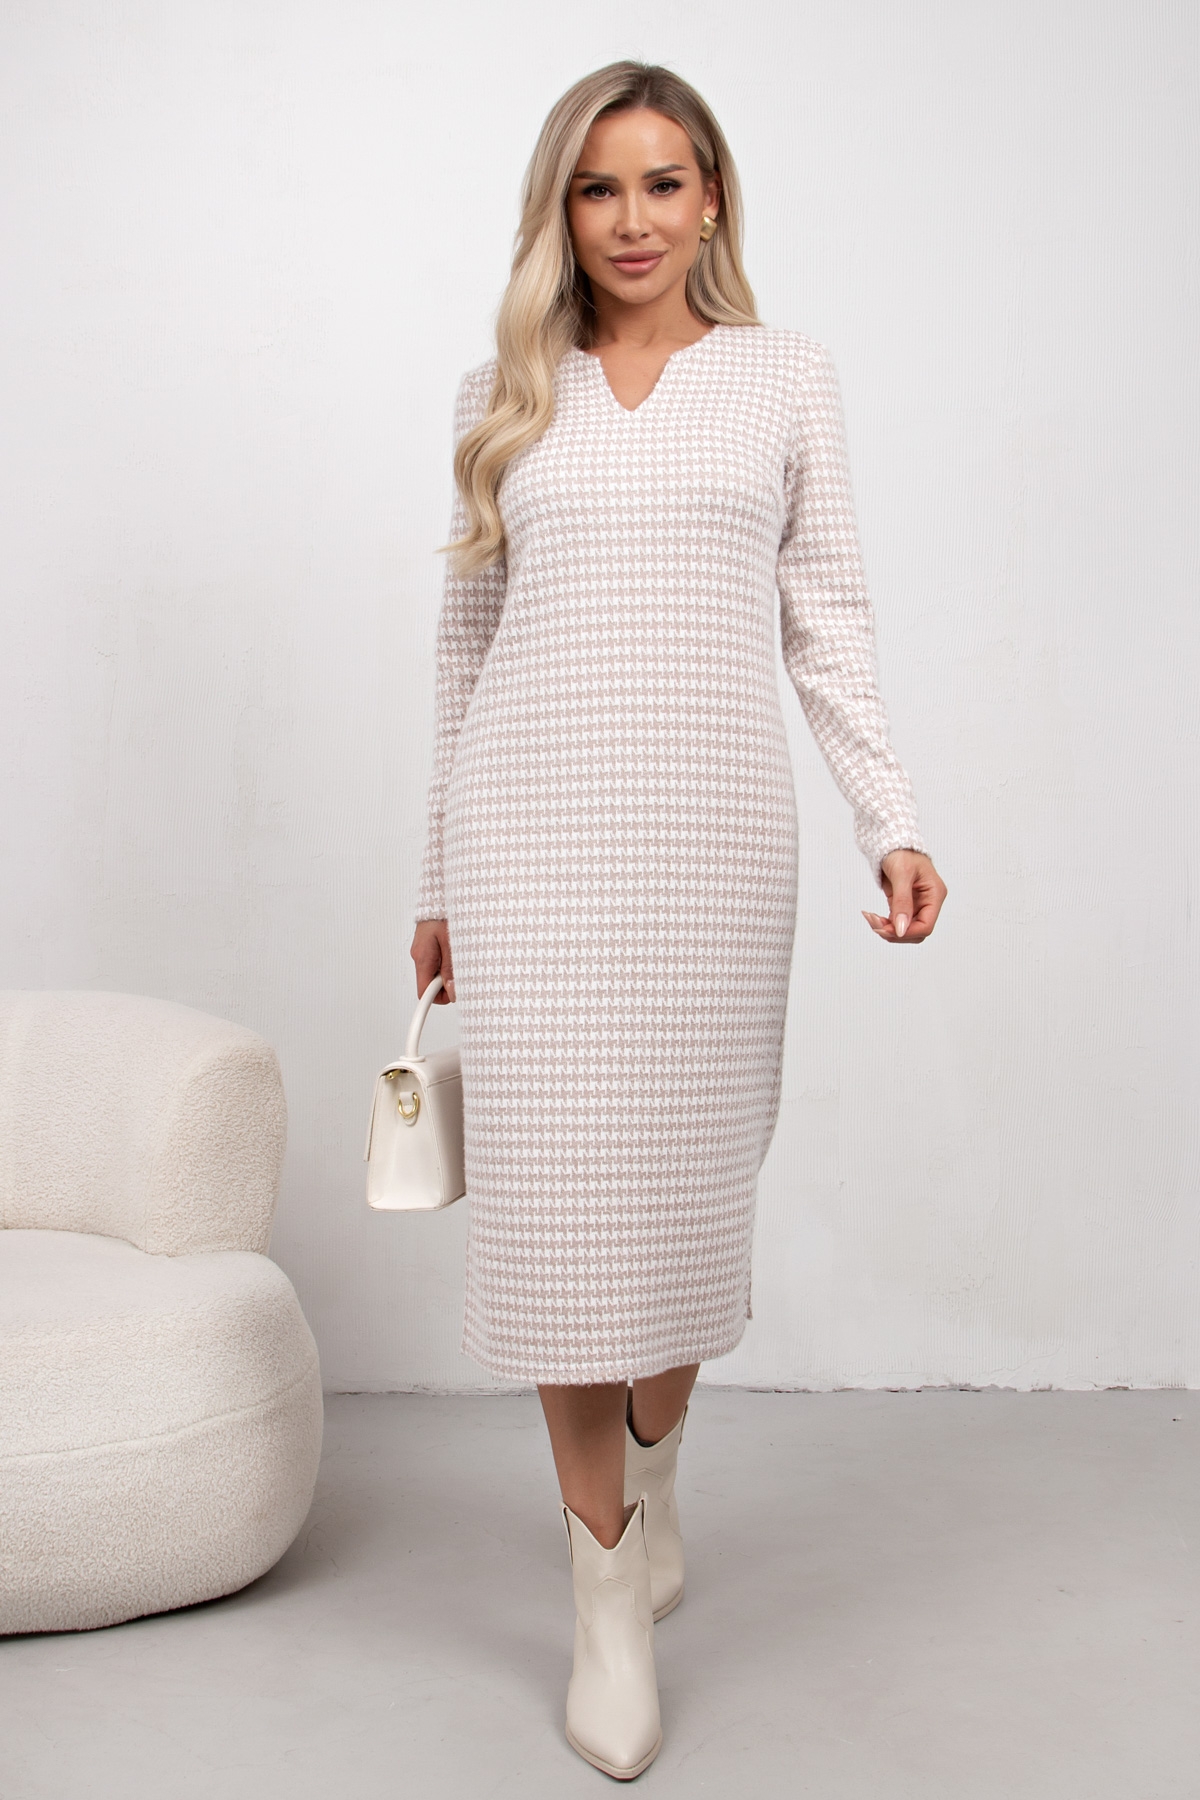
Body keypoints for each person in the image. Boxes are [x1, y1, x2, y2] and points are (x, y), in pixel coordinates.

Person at [410, 60, 947, 1781]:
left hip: (713, 851)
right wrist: (435, 882)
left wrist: (890, 818)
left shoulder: (785, 379)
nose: (632, 220)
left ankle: (653, 1470)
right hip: (528, 847)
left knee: (686, 1199)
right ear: (558, 210)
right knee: (558, 1216)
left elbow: (828, 617)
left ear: (712, 197)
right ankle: (603, 1594)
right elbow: (464, 652)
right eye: (598, 188)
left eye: (663, 183)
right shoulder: (506, 392)